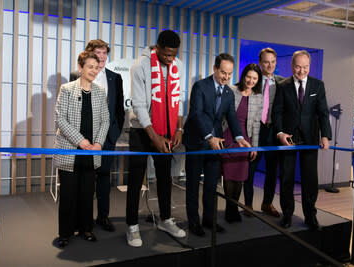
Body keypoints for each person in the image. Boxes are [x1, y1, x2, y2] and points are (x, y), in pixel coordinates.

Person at [126, 30, 186, 247]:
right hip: (142, 131)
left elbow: (178, 98)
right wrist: (155, 137)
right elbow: (139, 107)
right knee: (135, 180)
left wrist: (178, 128)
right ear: (157, 47)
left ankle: (165, 219)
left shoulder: (177, 65)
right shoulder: (140, 66)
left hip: (168, 128)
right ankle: (132, 226)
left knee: (164, 176)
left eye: (173, 55)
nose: (170, 59)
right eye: (166, 54)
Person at [183, 53, 251, 236]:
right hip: (197, 141)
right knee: (192, 185)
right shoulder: (200, 86)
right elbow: (196, 114)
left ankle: (208, 220)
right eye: (223, 72)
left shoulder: (229, 93)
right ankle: (194, 222)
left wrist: (239, 137)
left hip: (216, 144)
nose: (226, 77)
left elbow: (232, 116)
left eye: (229, 74)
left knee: (212, 185)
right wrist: (209, 137)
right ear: (214, 68)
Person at [54, 51, 110, 247]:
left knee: (87, 193)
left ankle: (86, 229)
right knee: (68, 194)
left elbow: (105, 120)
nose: (94, 70)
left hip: (91, 151)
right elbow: (60, 119)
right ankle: (65, 233)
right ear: (80, 67)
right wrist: (81, 141)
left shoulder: (100, 91)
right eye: (90, 67)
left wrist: (98, 144)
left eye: (96, 67)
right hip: (71, 150)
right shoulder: (67, 89)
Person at [272, 50, 332, 230]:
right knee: (286, 178)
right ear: (292, 66)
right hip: (288, 139)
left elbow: (323, 113)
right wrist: (280, 133)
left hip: (310, 138)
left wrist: (325, 135)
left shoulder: (318, 86)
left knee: (310, 179)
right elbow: (277, 113)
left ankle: (310, 215)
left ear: (309, 66)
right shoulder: (283, 86)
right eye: (298, 66)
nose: (301, 70)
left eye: (305, 67)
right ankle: (287, 215)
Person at [70, 39, 124, 232]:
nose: (101, 57)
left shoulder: (115, 78)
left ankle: (103, 217)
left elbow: (119, 111)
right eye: (97, 52)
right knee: (83, 180)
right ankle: (81, 221)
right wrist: (81, 138)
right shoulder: (76, 76)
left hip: (107, 139)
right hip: (84, 141)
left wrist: (113, 135)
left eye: (104, 53)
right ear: (89, 53)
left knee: (103, 179)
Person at [243, 48, 284, 218]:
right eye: (266, 62)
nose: (270, 65)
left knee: (272, 170)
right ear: (260, 63)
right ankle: (248, 204)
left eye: (273, 62)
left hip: (273, 131)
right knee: (250, 169)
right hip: (255, 130)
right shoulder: (253, 80)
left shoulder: (282, 83)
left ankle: (267, 203)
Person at [221, 63, 262, 223]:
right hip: (229, 136)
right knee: (229, 175)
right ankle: (230, 210)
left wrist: (255, 146)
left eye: (254, 78)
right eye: (248, 77)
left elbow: (257, 123)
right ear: (243, 76)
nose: (251, 81)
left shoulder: (258, 97)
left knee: (240, 176)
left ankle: (233, 207)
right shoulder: (231, 90)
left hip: (246, 140)